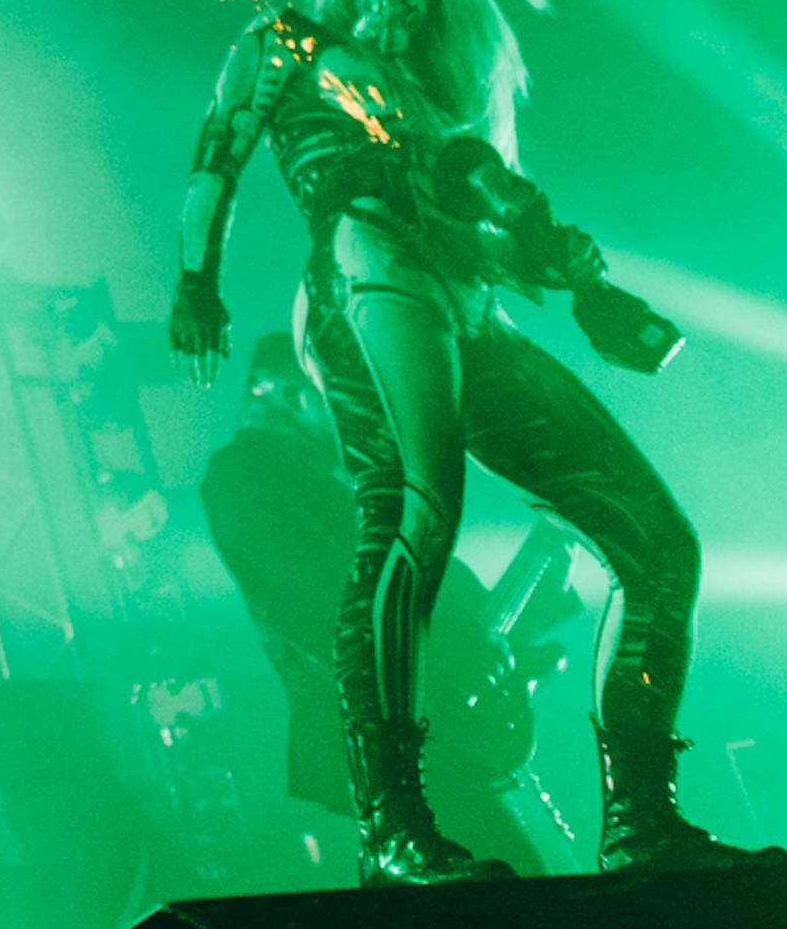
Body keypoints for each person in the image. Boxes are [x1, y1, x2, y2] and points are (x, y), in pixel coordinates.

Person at [165, 0, 759, 882]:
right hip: (368, 274)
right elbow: (218, 154)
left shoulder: (445, 93)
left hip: (465, 297)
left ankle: (643, 821)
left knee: (659, 546)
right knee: (413, 516)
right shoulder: (290, 44)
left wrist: (565, 273)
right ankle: (395, 823)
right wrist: (196, 277)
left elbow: (482, 221)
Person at [198, 334, 548, 876]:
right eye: (344, 401)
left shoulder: (322, 484)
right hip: (381, 748)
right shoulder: (244, 475)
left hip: (423, 735)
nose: (358, 420)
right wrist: (451, 645)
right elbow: (316, 603)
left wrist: (493, 644)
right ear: (296, 398)